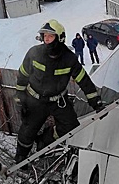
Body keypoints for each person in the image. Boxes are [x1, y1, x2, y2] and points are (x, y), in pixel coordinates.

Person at [14, 19, 104, 168]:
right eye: (44, 36)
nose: (46, 39)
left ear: (60, 38)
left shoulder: (69, 59)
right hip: (35, 101)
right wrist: (20, 99)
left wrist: (96, 102)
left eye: (50, 36)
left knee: (71, 126)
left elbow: (84, 81)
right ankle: (21, 158)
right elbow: (22, 75)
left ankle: (44, 140)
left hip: (58, 101)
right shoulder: (34, 53)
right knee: (27, 131)